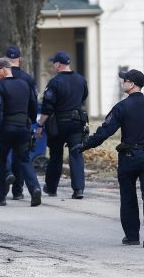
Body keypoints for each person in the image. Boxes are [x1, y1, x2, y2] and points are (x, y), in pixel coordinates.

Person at [71, 69, 144, 248]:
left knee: (128, 197)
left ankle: (132, 236)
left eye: (124, 81)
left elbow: (105, 131)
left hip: (128, 158)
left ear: (132, 84)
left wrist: (85, 145)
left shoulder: (122, 107)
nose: (122, 83)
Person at [35, 51, 88, 199]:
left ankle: (51, 188)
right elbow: (84, 97)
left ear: (58, 64)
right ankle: (78, 190)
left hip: (58, 124)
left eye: (54, 63)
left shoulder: (55, 82)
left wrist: (40, 125)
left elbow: (47, 107)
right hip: (77, 123)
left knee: (56, 155)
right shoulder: (81, 80)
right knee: (76, 154)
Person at [0, 57, 41, 207]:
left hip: (7, 129)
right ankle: (35, 189)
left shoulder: (0, 88)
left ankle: (0, 197)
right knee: (25, 160)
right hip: (23, 129)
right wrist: (30, 123)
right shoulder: (24, 84)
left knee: (0, 159)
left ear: (3, 69)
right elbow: (33, 106)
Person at [5, 45, 39, 200]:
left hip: (3, 123)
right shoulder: (27, 78)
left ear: (6, 59)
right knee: (22, 158)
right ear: (20, 58)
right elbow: (34, 102)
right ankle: (18, 192)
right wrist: (30, 120)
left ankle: (1, 192)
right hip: (23, 123)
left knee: (1, 155)